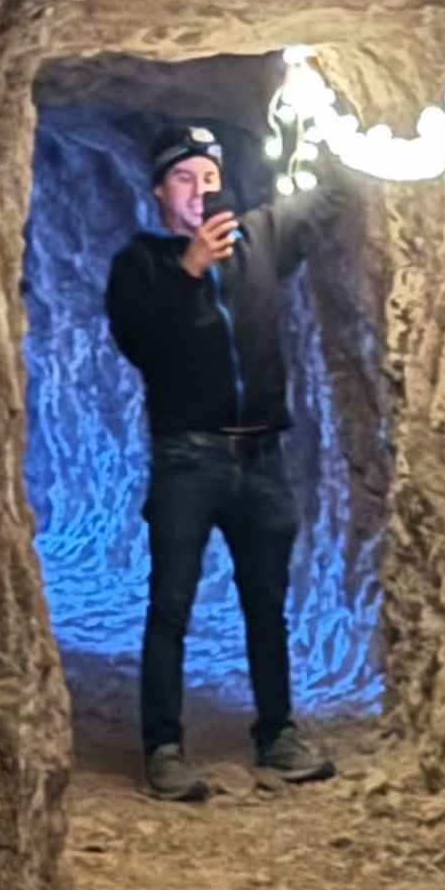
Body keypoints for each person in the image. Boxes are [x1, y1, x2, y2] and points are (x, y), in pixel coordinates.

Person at [101, 122, 335, 800]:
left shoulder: (260, 240)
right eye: (184, 178)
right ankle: (164, 747)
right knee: (170, 605)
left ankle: (277, 734)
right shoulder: (141, 265)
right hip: (189, 458)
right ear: (158, 191)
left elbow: (328, 199)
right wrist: (190, 270)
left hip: (261, 457)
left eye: (209, 177)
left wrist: (321, 117)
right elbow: (142, 342)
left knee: (267, 605)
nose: (199, 190)